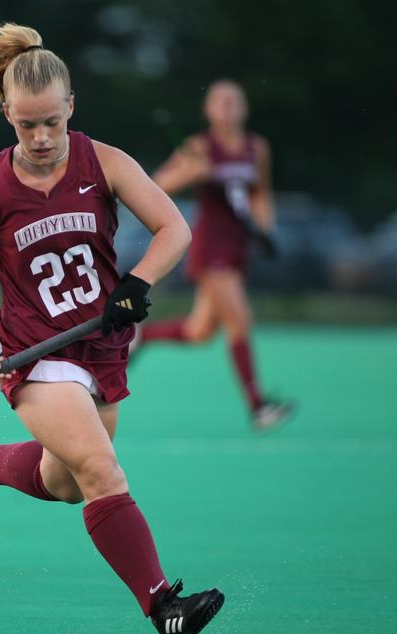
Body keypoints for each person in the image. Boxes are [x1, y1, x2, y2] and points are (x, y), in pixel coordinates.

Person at [0, 23, 223, 634]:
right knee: (100, 470)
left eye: (51, 123)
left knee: (65, 483)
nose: (40, 138)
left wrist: (137, 283)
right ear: (7, 114)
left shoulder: (105, 163)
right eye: (26, 125)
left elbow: (173, 228)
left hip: (101, 346)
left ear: (71, 106)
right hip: (34, 353)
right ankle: (163, 605)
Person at [133, 80, 294, 432]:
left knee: (200, 331)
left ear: (244, 108)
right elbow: (155, 185)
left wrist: (266, 229)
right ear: (208, 110)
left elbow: (260, 193)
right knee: (239, 320)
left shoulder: (256, 148)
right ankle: (258, 406)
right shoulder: (199, 147)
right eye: (220, 101)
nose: (228, 107)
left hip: (238, 247)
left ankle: (140, 335)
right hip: (210, 247)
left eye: (234, 100)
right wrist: (191, 172)